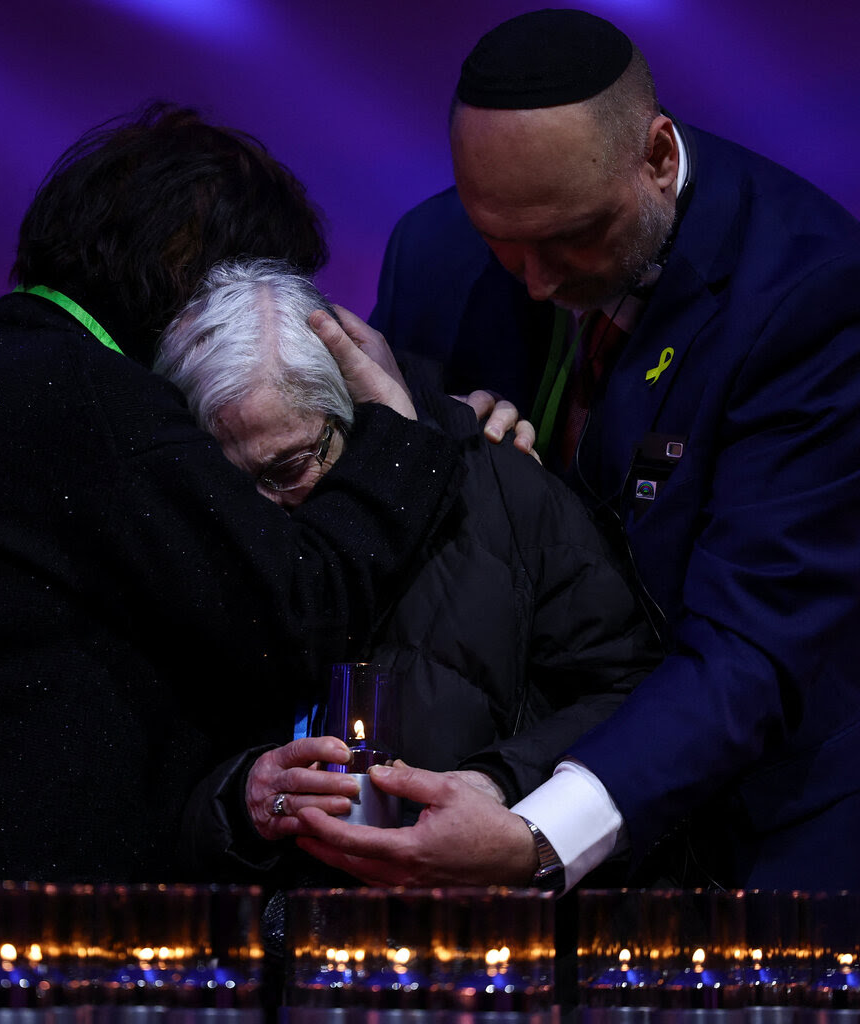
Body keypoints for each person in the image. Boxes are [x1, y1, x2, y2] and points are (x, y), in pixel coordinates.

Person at [0, 103, 471, 1007]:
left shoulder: (2, 382)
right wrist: (402, 433)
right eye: (255, 286)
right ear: (194, 273)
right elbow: (295, 612)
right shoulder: (87, 400)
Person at [299, 9, 860, 892]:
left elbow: (753, 647)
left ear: (659, 157)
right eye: (501, 241)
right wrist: (415, 445)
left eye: (573, 236)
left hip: (760, 831)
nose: (538, 281)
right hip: (493, 790)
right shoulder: (434, 252)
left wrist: (537, 835)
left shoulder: (809, 293)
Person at [150, 257, 660, 879]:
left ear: (350, 409)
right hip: (263, 955)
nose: (266, 518)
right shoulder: (173, 537)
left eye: (288, 470)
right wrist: (240, 800)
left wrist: (500, 782)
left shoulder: (504, 489)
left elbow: (635, 699)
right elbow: (135, 781)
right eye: (232, 489)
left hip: (471, 939)